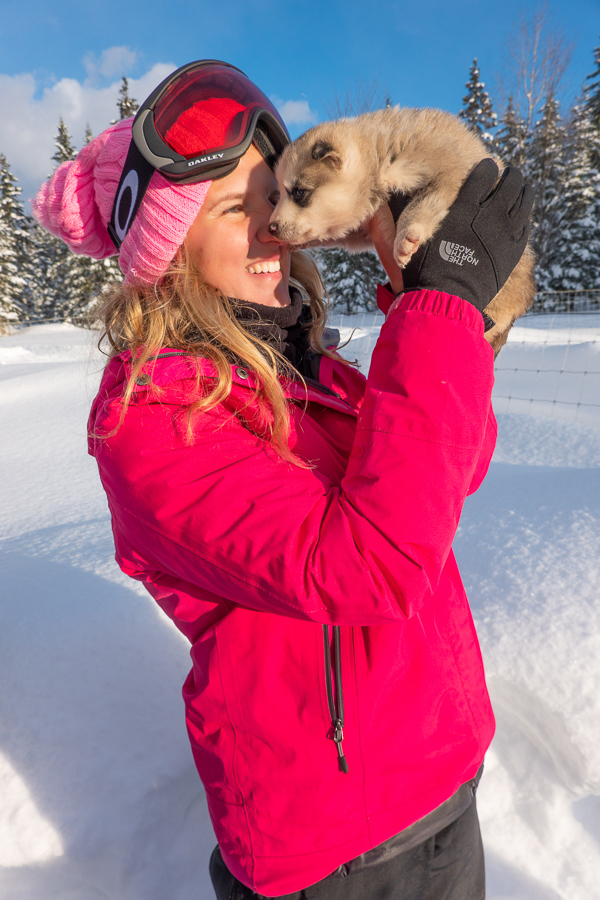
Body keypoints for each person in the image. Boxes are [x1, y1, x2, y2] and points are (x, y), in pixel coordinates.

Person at [32, 60, 533, 900]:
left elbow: (452, 470)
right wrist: (434, 312)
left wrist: (451, 309)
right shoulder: (155, 419)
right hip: (334, 852)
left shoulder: (309, 370)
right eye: (239, 208)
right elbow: (367, 565)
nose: (274, 227)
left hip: (444, 778)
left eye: (274, 198)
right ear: (169, 249)